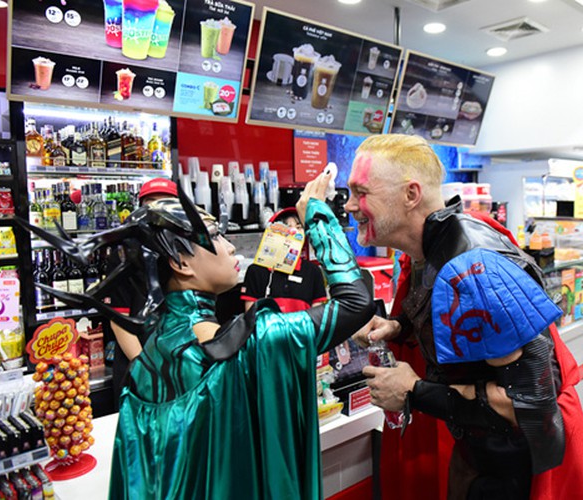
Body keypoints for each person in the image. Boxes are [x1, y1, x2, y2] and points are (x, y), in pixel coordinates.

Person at [26, 171, 374, 498]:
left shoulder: (151, 357)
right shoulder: (251, 344)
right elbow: (356, 301)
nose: (229, 247)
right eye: (217, 236)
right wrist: (317, 217)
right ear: (181, 262)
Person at [346, 134, 583, 499]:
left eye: (361, 191)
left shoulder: (473, 268)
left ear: (411, 194)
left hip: (518, 471)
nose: (351, 205)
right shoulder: (431, 245)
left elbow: (529, 405)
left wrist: (414, 392)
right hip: (483, 458)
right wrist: (399, 327)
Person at [108, 177, 178, 406]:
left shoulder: (186, 248)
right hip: (138, 363)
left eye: (166, 203)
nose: (157, 210)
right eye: (150, 203)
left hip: (176, 362)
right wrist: (144, 368)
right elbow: (119, 320)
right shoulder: (124, 251)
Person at [241, 207, 327, 313]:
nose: (294, 232)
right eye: (288, 227)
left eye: (299, 227)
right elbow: (250, 316)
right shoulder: (256, 271)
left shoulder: (313, 271)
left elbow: (317, 314)